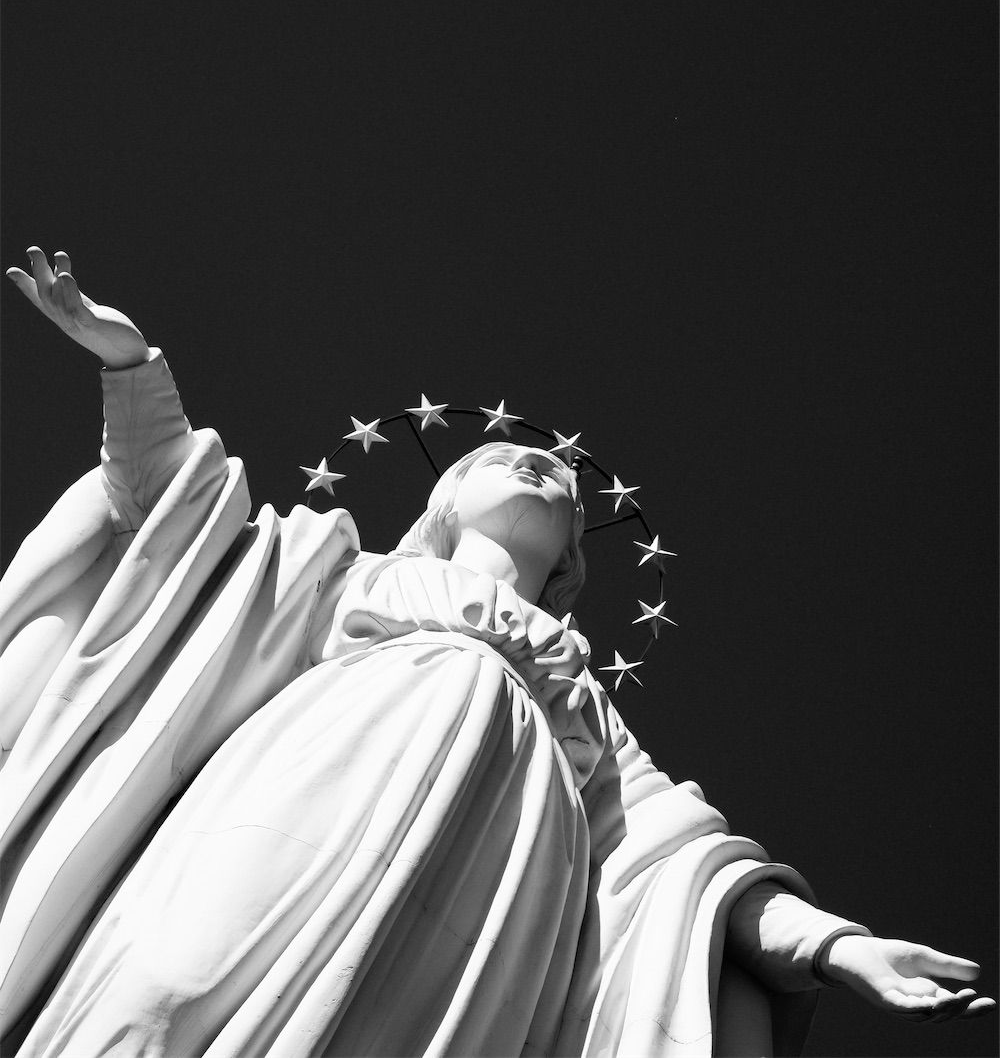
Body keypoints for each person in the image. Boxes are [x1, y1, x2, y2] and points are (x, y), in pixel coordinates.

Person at [0, 248, 992, 1058]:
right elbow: (180, 523)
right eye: (506, 460)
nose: (544, 468)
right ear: (443, 500)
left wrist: (835, 949)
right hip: (311, 781)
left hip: (508, 888)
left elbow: (670, 859)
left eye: (561, 484)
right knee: (162, 991)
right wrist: (134, 374)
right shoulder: (347, 573)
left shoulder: (576, 697)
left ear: (570, 564)